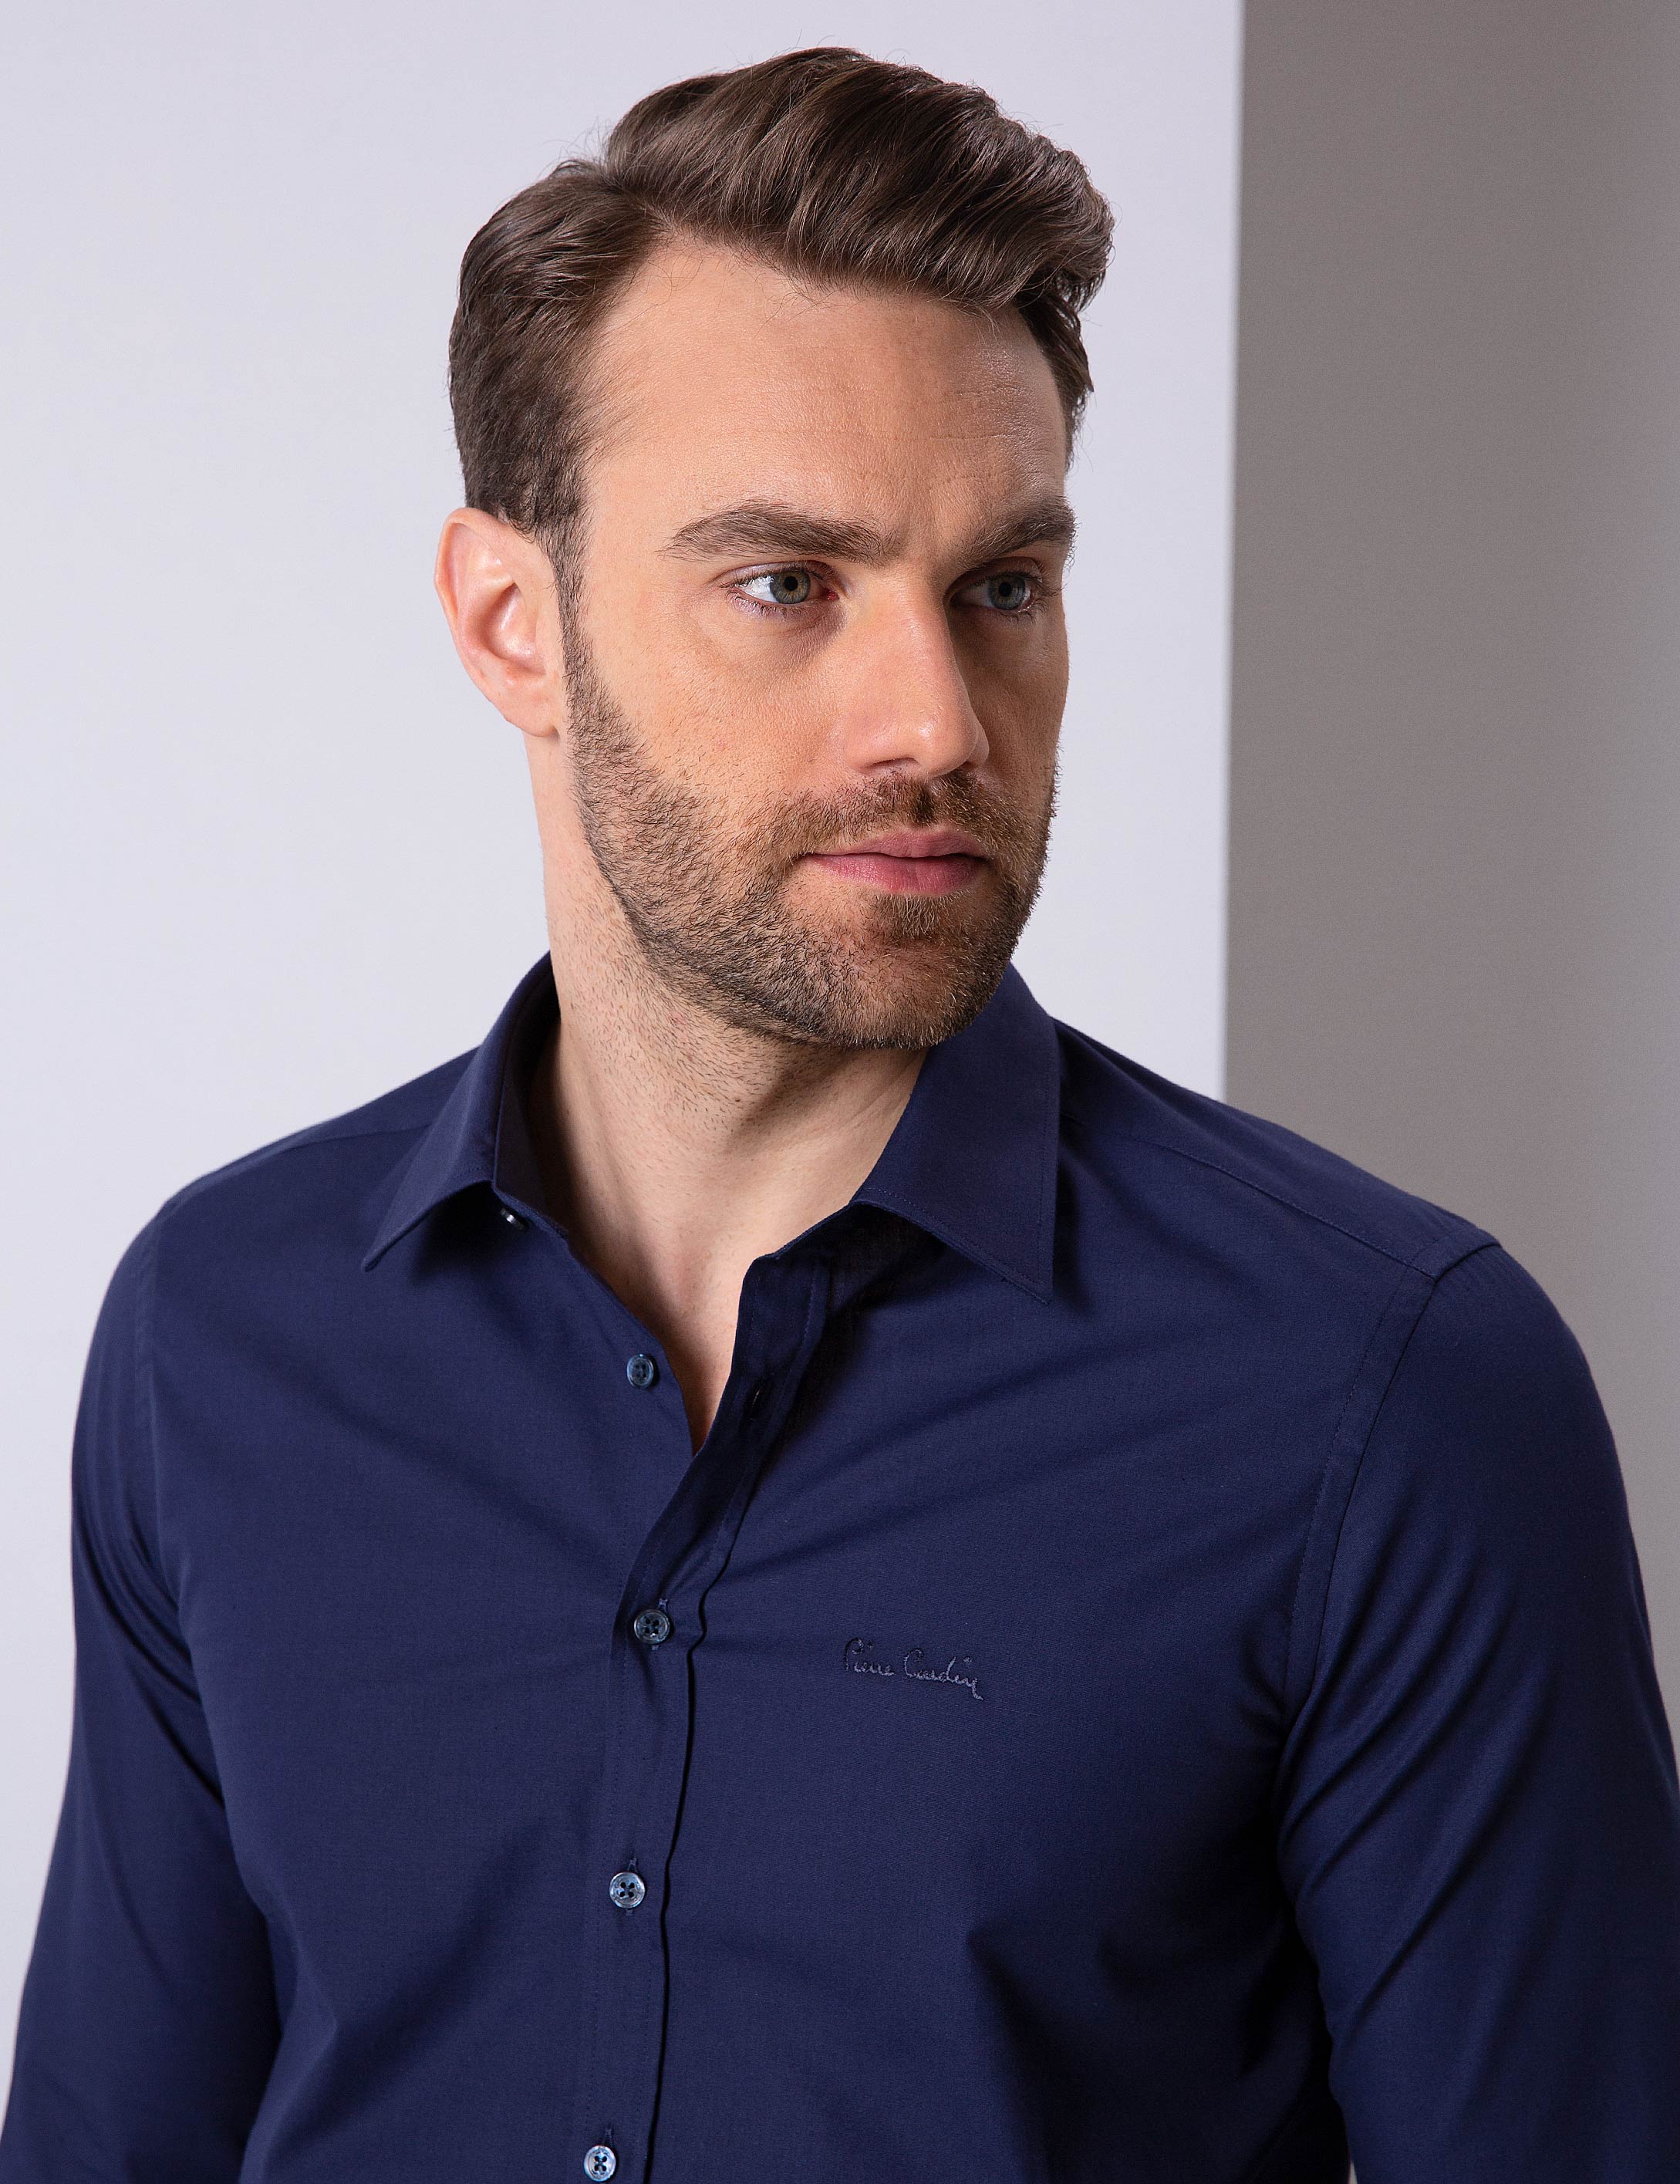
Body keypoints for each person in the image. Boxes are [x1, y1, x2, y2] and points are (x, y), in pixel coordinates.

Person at [2, 44, 1676, 2184]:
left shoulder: (1387, 1390)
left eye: (1002, 586)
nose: (937, 722)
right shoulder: (222, 1331)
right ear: (513, 624)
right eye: (789, 583)